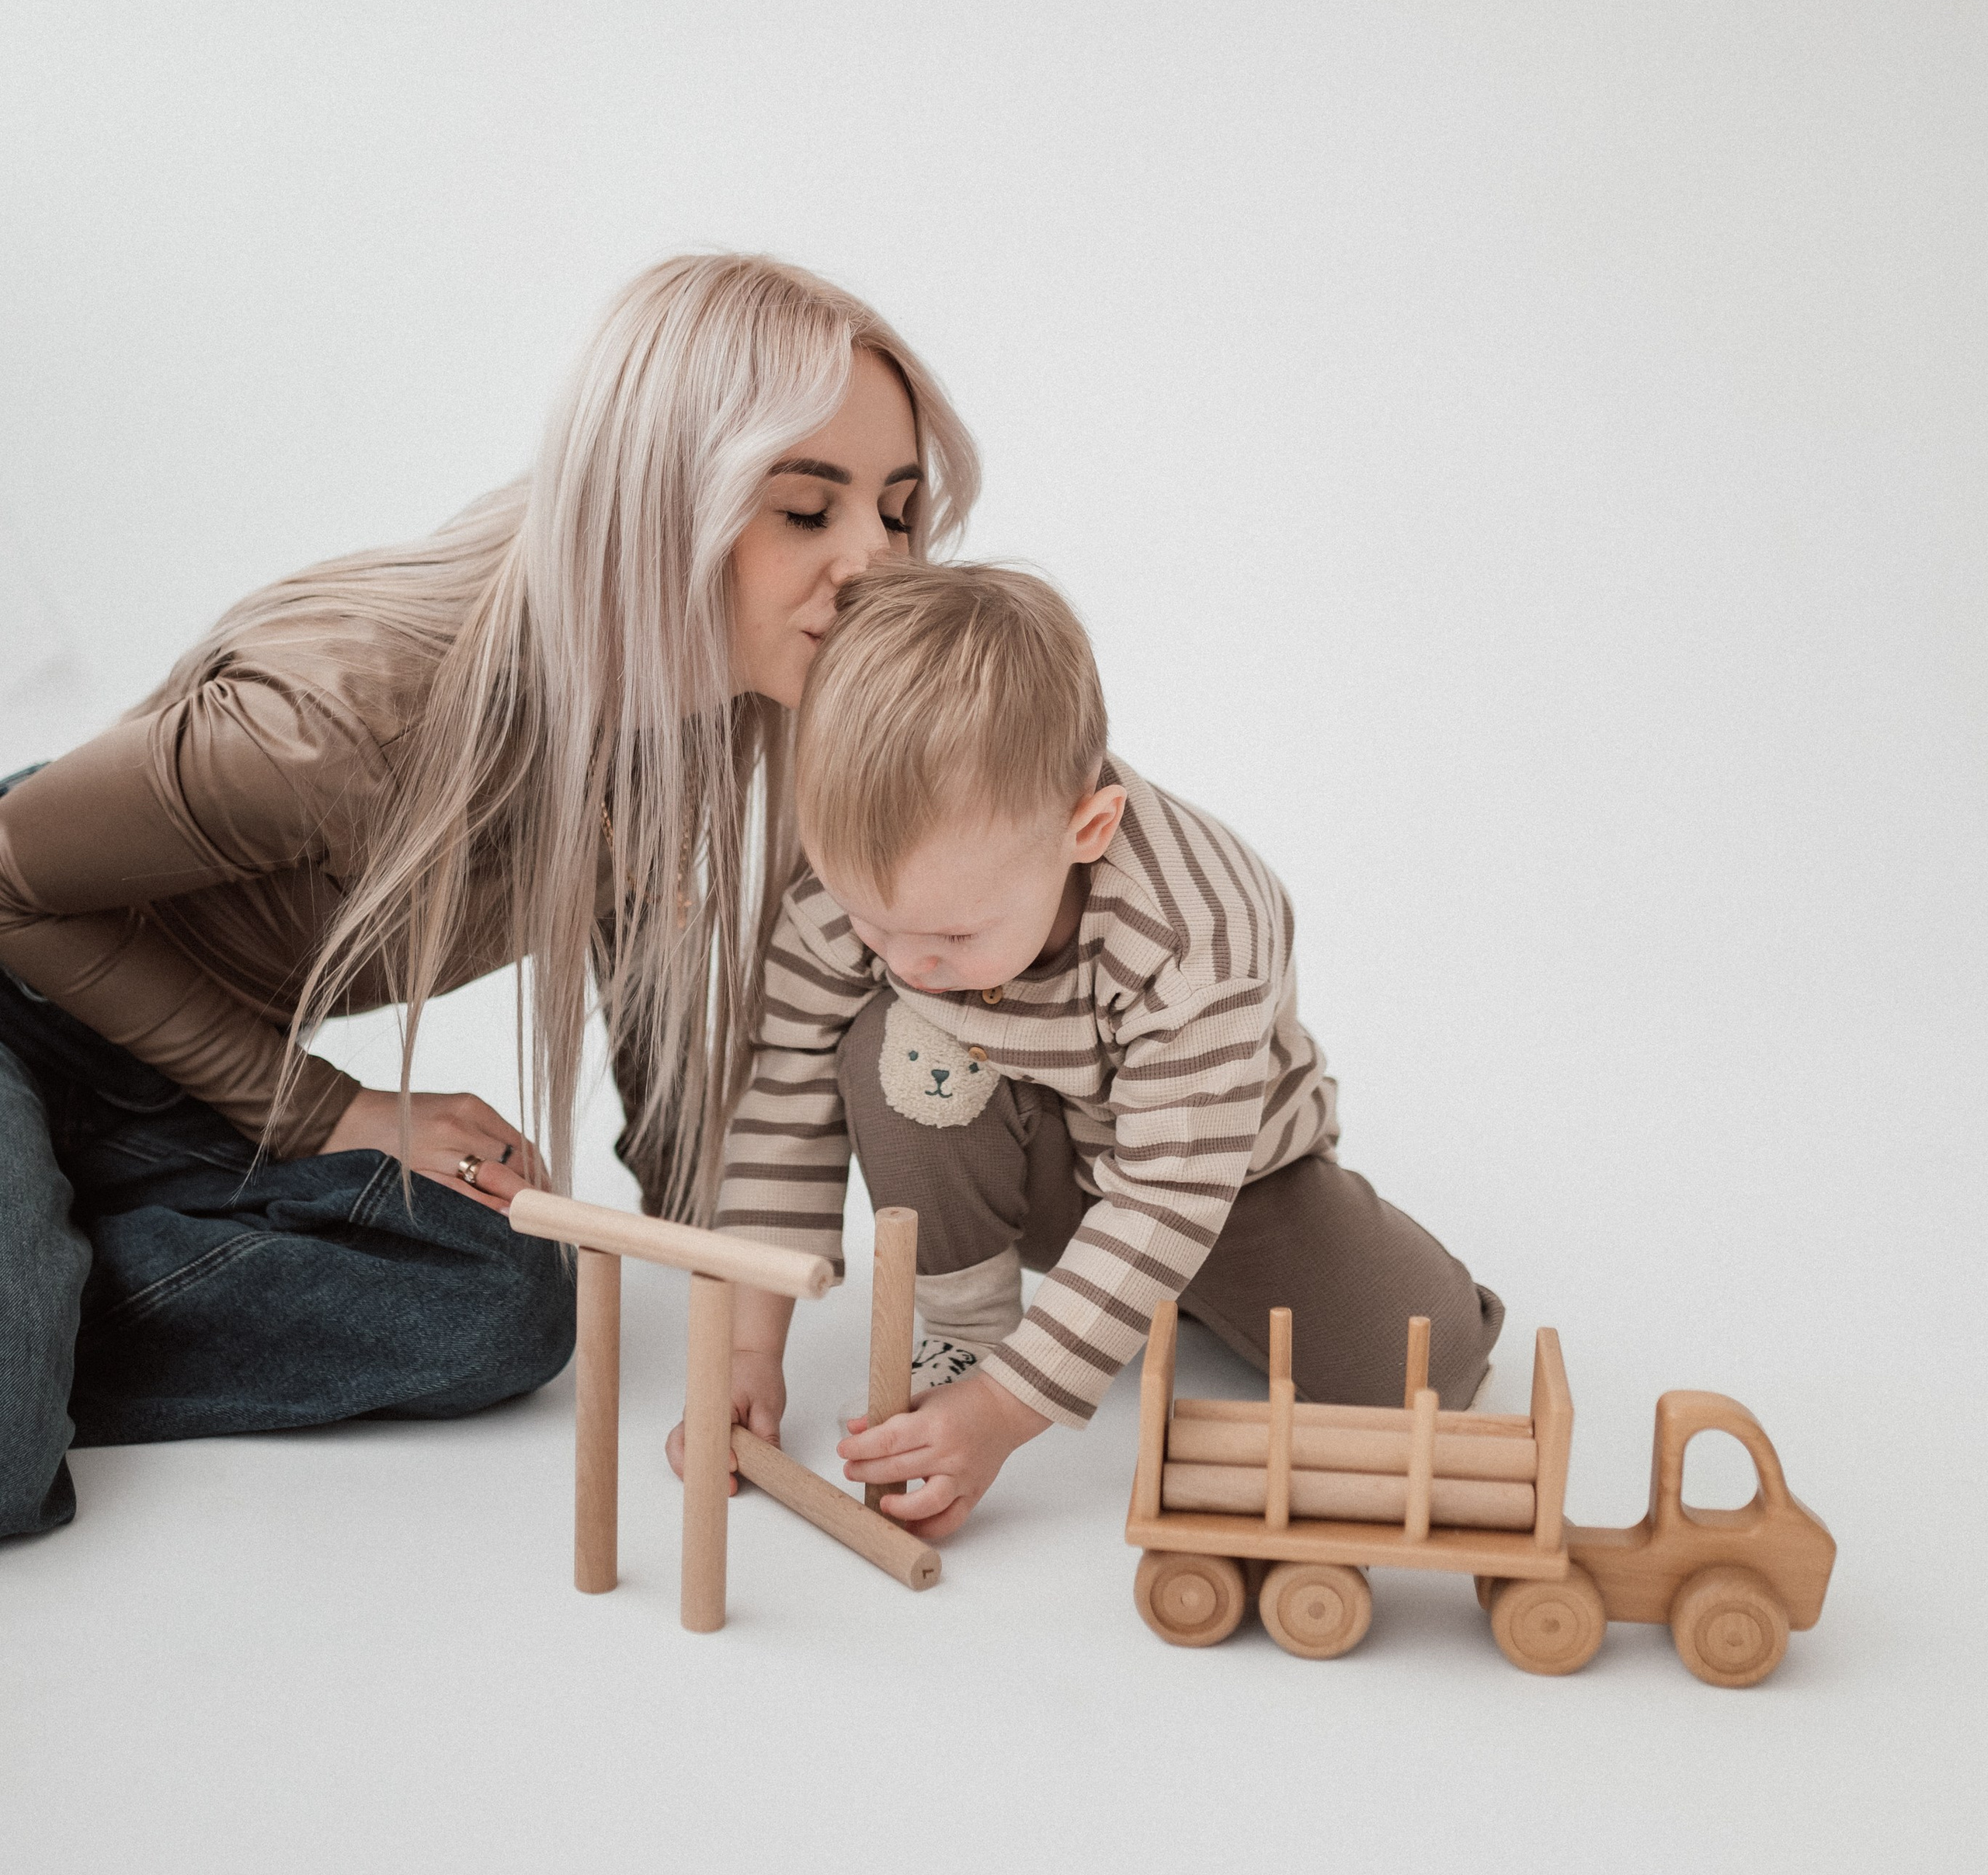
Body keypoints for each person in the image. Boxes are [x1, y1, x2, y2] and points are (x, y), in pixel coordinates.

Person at [0, 255, 978, 1544]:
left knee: (506, 1302)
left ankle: (42, 1264)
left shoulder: (688, 712)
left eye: (897, 513)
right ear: (653, 505)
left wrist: (728, 1300)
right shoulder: (336, 725)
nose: (876, 561)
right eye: (806, 509)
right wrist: (337, 1112)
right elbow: (13, 880)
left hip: (171, 1077)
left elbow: (659, 1017)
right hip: (25, 970)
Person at [694, 559, 1503, 1543]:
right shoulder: (861, 891)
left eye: (953, 936)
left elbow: (1167, 1194)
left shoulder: (1193, 930)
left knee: (1423, 1371)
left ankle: (1160, 1303)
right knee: (885, 1046)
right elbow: (786, 1100)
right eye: (872, 922)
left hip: (1219, 1178)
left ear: (1087, 828)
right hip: (1033, 1165)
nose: (905, 961)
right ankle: (968, 1329)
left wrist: (1004, 1414)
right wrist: (744, 1349)